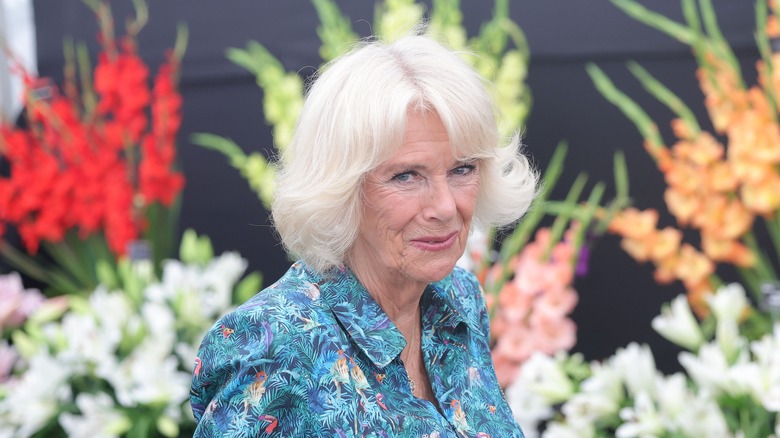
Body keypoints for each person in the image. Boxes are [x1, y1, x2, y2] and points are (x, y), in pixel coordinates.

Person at [190, 32, 537, 437]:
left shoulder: (459, 300)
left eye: (462, 169)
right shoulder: (273, 346)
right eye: (406, 176)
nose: (444, 207)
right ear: (341, 188)